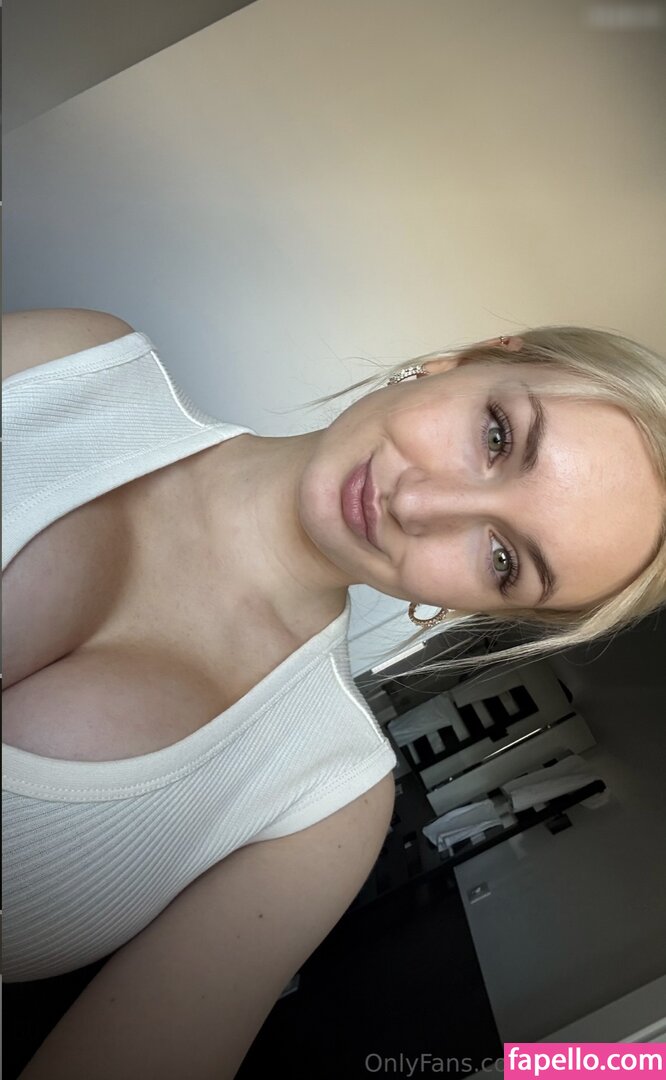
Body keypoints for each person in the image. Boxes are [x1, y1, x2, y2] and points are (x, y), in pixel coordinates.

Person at [2, 307, 665, 1080]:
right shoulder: (72, 368)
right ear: (464, 361)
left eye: (502, 559)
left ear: (485, 608)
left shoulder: (327, 804)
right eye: (496, 436)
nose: (417, 507)